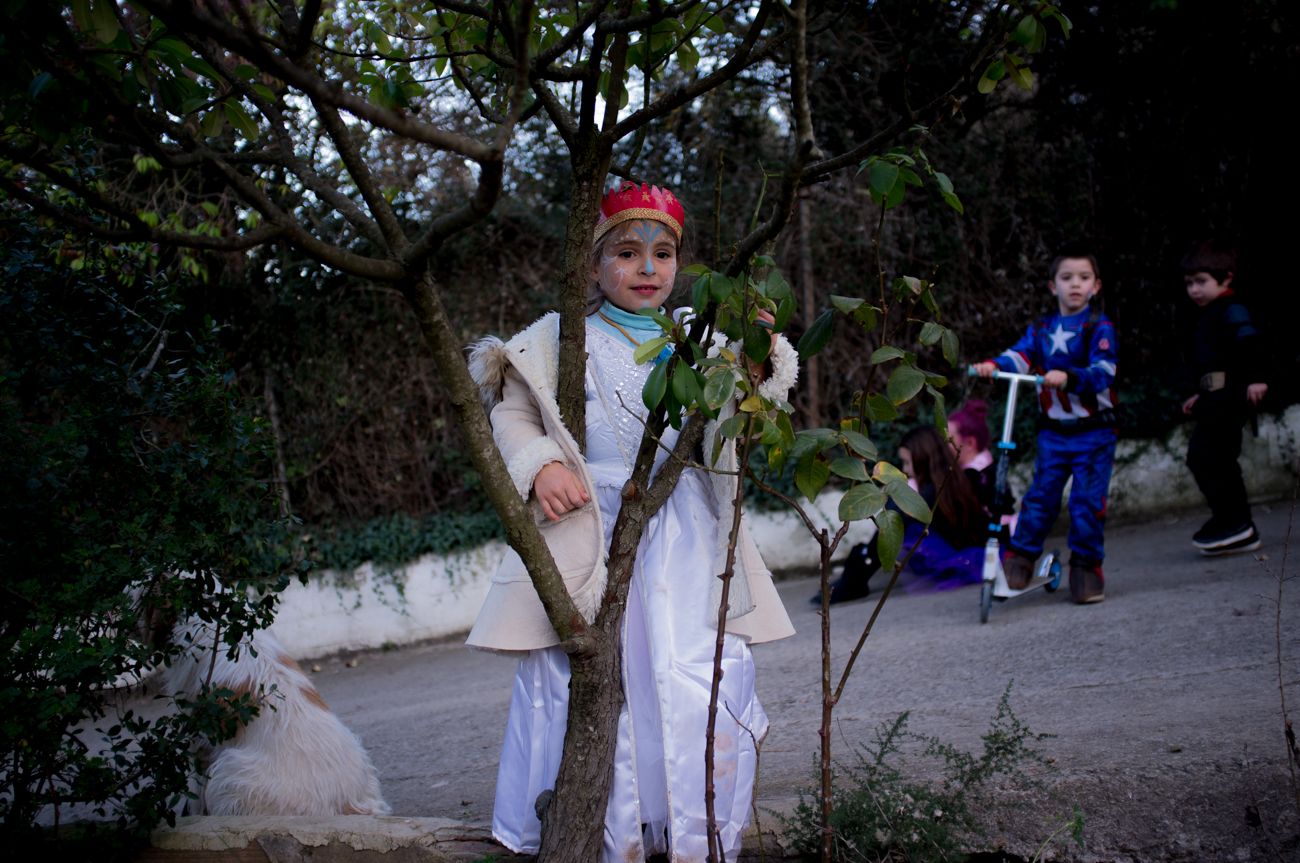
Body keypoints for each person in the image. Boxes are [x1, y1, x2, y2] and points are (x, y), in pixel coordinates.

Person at [465, 181, 797, 862]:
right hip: (592, 528)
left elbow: (743, 412)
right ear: (591, 266)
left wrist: (759, 357)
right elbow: (510, 410)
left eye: (664, 253)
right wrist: (541, 465)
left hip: (684, 529)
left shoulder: (700, 337)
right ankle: (607, 830)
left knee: (692, 665)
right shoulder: (561, 339)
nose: (648, 268)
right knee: (594, 674)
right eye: (626, 252)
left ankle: (690, 825)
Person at [973, 249, 1118, 604]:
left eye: (1083, 278)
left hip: (1093, 431)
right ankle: (1020, 558)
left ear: (1095, 286)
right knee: (1040, 498)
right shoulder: (1042, 329)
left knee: (1086, 502)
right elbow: (1020, 356)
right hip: (1054, 432)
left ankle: (1086, 568)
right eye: (1067, 278)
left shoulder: (1098, 327)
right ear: (1052, 286)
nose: (1075, 284)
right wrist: (994, 365)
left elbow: (1104, 372)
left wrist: (1068, 377)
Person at [811, 425, 986, 604]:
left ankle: (860, 570)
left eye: (908, 463)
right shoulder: (949, 482)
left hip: (957, 558)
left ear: (924, 460)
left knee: (898, 506)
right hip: (959, 549)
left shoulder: (935, 491)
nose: (906, 470)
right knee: (898, 504)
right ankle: (861, 568)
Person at [1179, 241, 1268, 555]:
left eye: (1201, 281)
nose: (1194, 289)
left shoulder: (1232, 309)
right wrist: (1196, 394)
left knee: (1212, 456)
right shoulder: (1206, 315)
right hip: (1214, 398)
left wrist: (1257, 378)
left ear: (1226, 278)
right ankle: (1231, 521)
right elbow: (1205, 361)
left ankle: (1236, 522)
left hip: (1228, 398)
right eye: (1190, 283)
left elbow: (1249, 343)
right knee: (1206, 457)